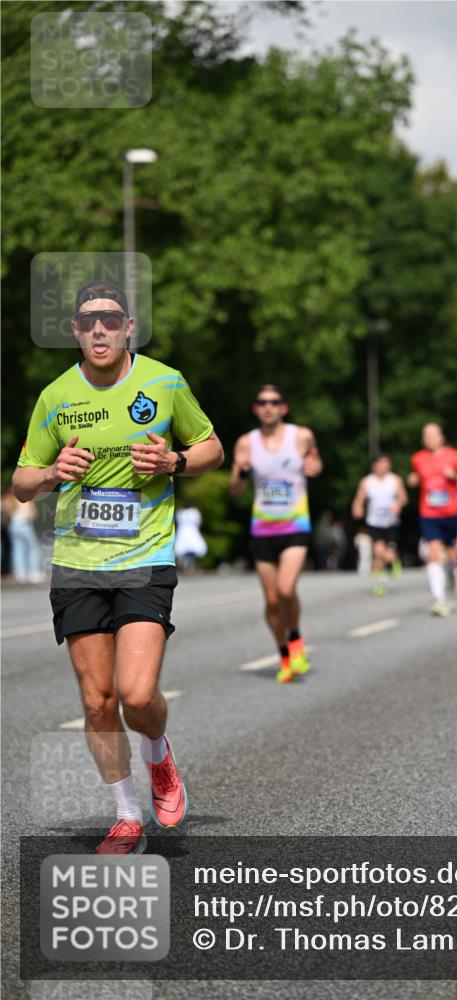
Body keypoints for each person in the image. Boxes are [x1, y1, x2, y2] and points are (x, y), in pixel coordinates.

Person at [12, 279, 223, 855]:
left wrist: (174, 460)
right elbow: (22, 482)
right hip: (77, 561)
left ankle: (159, 755)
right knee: (97, 702)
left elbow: (211, 447)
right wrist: (54, 471)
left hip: (143, 557)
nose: (99, 329)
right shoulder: (56, 396)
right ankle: (127, 816)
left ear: (128, 326)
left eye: (110, 319)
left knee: (135, 693)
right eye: (87, 321)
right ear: (77, 331)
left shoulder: (163, 382)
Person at [229, 385, 322, 682]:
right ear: (256, 409)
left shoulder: (302, 435)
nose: (268, 407)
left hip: (295, 525)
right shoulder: (246, 443)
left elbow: (316, 462)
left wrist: (314, 467)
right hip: (263, 529)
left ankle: (295, 638)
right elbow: (235, 489)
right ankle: (284, 655)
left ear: (284, 407)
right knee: (271, 600)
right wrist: (240, 472)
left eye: (274, 402)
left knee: (285, 589)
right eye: (262, 402)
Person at [408, 423, 457, 616]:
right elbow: (415, 477)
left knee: (452, 552)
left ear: (441, 436)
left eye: (433, 435)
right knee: (433, 552)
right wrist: (412, 479)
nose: (430, 439)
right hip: (429, 512)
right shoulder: (418, 458)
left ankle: (454, 570)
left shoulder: (453, 455)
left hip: (451, 511)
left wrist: (456, 475)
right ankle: (439, 599)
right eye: (426, 435)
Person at [352, 454, 407, 595]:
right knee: (378, 552)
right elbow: (359, 498)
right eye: (381, 464)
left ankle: (395, 561)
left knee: (388, 554)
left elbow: (403, 497)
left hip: (391, 522)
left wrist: (398, 504)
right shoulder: (367, 481)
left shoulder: (394, 480)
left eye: (387, 464)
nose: (385, 467)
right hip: (374, 522)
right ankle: (380, 582)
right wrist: (357, 508)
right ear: (374, 465)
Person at [8, 496, 45, 583]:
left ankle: (20, 574)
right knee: (34, 549)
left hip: (13, 525)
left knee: (18, 550)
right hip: (24, 525)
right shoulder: (26, 499)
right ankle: (34, 573)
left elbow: (8, 514)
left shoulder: (10, 499)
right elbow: (33, 514)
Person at [174, 504, 207, 573]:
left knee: (184, 550)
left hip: (182, 532)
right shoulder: (194, 511)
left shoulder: (180, 512)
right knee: (191, 550)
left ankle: (186, 565)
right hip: (192, 531)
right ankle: (189, 566)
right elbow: (198, 522)